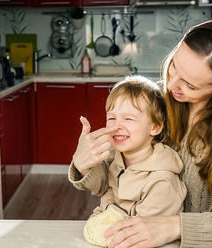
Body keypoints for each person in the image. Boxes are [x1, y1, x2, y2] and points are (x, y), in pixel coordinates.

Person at [69, 20, 212, 248]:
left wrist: (175, 226)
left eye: (189, 85)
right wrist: (83, 164)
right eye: (174, 66)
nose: (171, 85)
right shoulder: (153, 102)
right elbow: (111, 177)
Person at [69, 75, 187, 218]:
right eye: (112, 118)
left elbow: (143, 232)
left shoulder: (162, 183)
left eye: (129, 119)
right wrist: (82, 165)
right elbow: (102, 185)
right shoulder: (116, 157)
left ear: (155, 127)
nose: (117, 126)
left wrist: (105, 211)